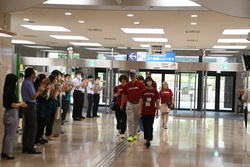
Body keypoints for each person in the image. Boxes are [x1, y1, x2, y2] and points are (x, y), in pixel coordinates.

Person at [1, 74, 28, 160]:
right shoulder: (11, 92)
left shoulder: (6, 91)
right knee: (10, 134)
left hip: (7, 113)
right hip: (12, 113)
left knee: (7, 134)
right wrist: (21, 104)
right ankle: (7, 153)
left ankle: (4, 151)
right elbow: (13, 105)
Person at [21, 67, 44, 154]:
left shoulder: (26, 82)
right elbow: (33, 96)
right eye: (34, 73)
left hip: (27, 104)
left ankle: (26, 146)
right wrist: (39, 91)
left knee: (27, 126)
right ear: (31, 74)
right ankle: (30, 147)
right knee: (33, 126)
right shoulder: (28, 83)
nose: (35, 75)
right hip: (30, 105)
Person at [120, 69, 145, 142]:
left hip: (138, 103)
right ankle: (131, 135)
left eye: (133, 75)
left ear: (136, 76)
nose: (132, 76)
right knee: (130, 119)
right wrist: (122, 104)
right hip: (130, 103)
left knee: (136, 119)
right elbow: (124, 95)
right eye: (130, 75)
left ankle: (134, 133)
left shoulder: (140, 84)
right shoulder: (127, 85)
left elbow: (144, 93)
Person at [139, 76, 160, 148]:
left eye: (150, 81)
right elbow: (141, 101)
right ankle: (146, 139)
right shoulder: (143, 91)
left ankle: (149, 139)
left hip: (151, 111)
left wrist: (157, 110)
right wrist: (140, 111)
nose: (149, 82)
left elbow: (157, 101)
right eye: (147, 81)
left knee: (149, 125)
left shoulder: (155, 91)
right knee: (145, 125)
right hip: (144, 111)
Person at [113, 74, 128, 139]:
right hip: (118, 104)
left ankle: (123, 132)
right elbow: (113, 94)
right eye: (122, 79)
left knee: (124, 118)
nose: (123, 80)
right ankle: (119, 128)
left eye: (124, 79)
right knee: (118, 118)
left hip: (125, 104)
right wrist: (116, 95)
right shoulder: (117, 87)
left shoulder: (127, 87)